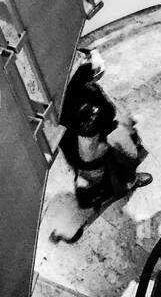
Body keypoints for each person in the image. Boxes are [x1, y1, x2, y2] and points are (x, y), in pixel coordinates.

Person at [50, 49, 152, 244]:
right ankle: (129, 183)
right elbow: (90, 152)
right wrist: (118, 135)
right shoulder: (90, 116)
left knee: (106, 174)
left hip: (79, 154)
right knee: (119, 173)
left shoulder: (70, 90)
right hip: (93, 160)